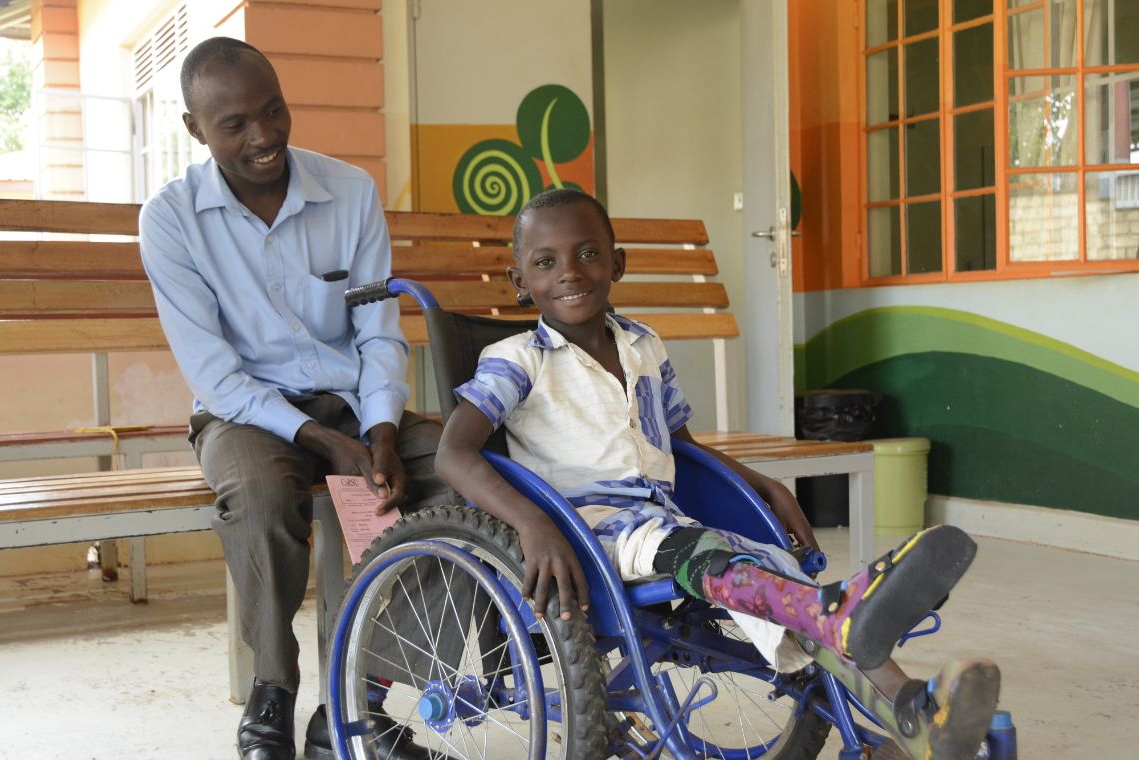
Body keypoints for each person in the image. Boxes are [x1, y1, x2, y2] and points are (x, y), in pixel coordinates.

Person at [435, 188, 1002, 760]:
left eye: (587, 254)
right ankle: (842, 617)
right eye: (546, 262)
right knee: (710, 554)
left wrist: (763, 483)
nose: (569, 273)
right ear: (518, 280)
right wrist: (531, 525)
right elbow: (453, 454)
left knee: (776, 567)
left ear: (617, 263)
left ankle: (909, 715)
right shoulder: (517, 360)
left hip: (662, 521)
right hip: (589, 529)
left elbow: (680, 442)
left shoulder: (644, 345)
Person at [140, 37, 436, 760]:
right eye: (235, 124)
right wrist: (321, 441)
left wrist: (382, 430)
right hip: (245, 413)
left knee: (469, 470)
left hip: (354, 404)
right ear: (194, 131)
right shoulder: (172, 221)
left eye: (273, 111)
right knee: (265, 499)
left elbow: (377, 334)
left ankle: (362, 694)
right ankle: (274, 690)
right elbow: (215, 374)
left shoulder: (351, 192)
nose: (264, 136)